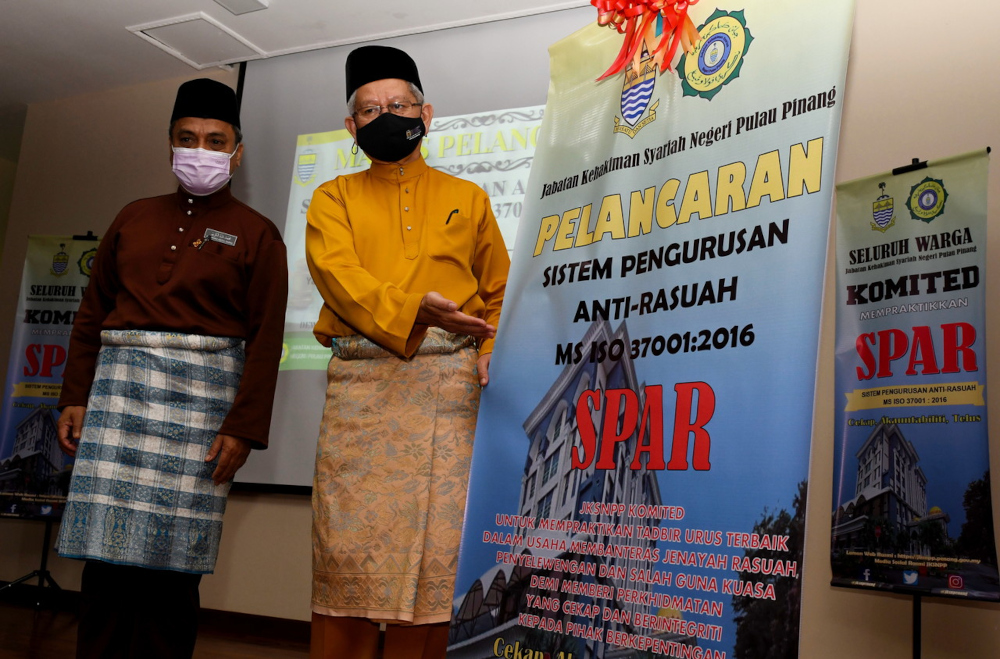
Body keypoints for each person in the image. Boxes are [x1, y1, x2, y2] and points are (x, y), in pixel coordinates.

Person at [55, 77, 288, 659]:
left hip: (201, 414)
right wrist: (74, 395)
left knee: (172, 572)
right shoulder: (133, 216)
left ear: (237, 150)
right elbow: (91, 313)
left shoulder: (258, 234)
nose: (201, 150)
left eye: (215, 139)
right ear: (169, 145)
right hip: (117, 398)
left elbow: (265, 341)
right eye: (188, 138)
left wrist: (243, 428)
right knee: (105, 570)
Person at [305, 45, 509, 659]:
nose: (386, 115)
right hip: (362, 395)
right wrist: (409, 309)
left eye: (399, 104)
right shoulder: (332, 197)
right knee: (345, 552)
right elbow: (338, 277)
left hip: (451, 395)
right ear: (351, 127)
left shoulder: (469, 197)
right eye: (370, 109)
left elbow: (500, 290)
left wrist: (493, 347)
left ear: (426, 112)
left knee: (438, 559)